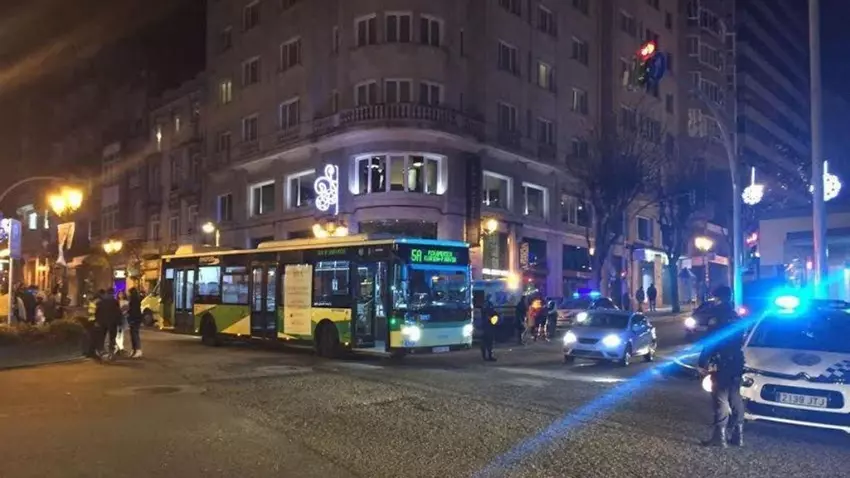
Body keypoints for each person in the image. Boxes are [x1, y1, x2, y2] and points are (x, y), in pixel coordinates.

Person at [697, 285, 745, 448]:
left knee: (720, 398)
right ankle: (738, 436)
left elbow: (711, 341)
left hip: (722, 362)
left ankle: (720, 437)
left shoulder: (717, 317)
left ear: (718, 298)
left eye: (714, 298)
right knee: (735, 397)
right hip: (737, 361)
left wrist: (702, 362)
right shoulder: (736, 316)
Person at [94, 288, 122, 360]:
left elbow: (97, 312)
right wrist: (119, 323)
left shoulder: (101, 302)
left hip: (102, 322)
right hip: (112, 323)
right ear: (112, 293)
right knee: (112, 338)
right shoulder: (115, 302)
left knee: (102, 337)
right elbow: (118, 313)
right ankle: (111, 353)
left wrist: (97, 321)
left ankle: (101, 352)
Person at [480, 296, 497, 362]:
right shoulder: (488, 305)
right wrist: (492, 319)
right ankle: (489, 356)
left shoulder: (484, 305)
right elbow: (489, 315)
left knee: (485, 342)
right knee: (488, 342)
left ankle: (485, 356)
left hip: (485, 326)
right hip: (488, 326)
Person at [128, 288, 143, 358]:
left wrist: (131, 319)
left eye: (129, 293)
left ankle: (137, 350)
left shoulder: (134, 300)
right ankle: (134, 350)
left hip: (134, 319)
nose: (128, 294)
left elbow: (133, 311)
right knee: (133, 334)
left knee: (134, 334)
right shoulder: (136, 299)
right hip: (135, 319)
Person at [115, 290, 130, 355]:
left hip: (123, 319)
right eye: (119, 294)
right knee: (117, 334)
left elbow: (126, 310)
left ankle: (120, 347)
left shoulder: (126, 302)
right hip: (117, 319)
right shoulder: (116, 301)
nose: (120, 295)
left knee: (121, 333)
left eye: (122, 294)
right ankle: (118, 347)